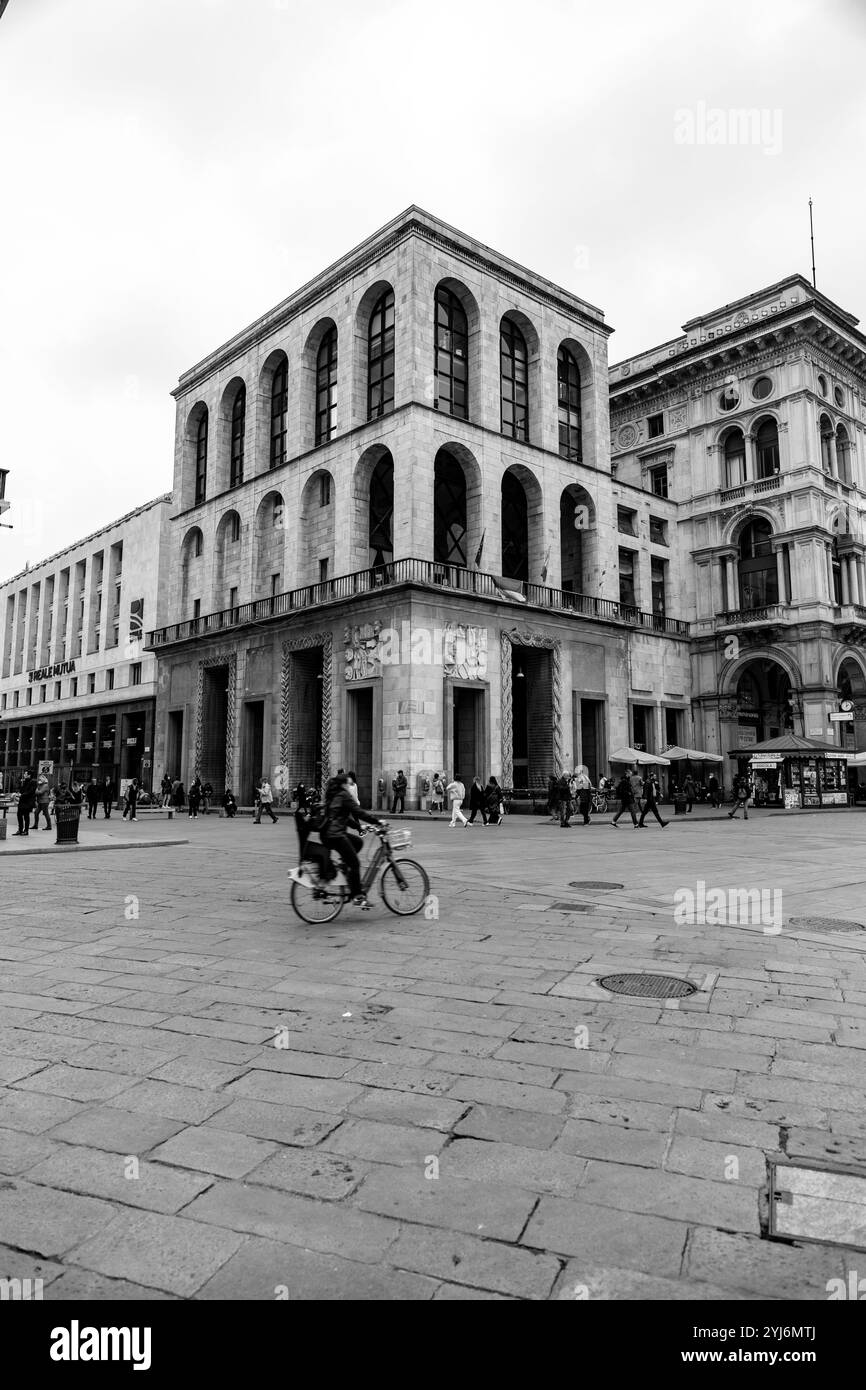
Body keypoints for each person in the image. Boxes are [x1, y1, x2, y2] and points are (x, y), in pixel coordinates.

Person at [320, 772, 387, 907]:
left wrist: (358, 827)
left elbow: (343, 817)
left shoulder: (334, 794)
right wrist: (377, 822)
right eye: (350, 783)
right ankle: (358, 897)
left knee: (357, 842)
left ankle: (344, 866)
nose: (351, 786)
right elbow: (358, 812)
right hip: (335, 835)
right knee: (355, 863)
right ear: (344, 784)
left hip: (328, 834)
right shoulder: (343, 795)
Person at [15, 771, 36, 836]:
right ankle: (20, 829)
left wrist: (22, 795)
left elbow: (31, 792)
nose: (24, 775)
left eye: (25, 774)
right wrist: (18, 793)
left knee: (26, 816)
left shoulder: (33, 782)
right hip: (22, 801)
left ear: (29, 775)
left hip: (28, 802)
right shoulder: (24, 781)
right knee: (19, 815)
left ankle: (26, 831)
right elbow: (21, 790)